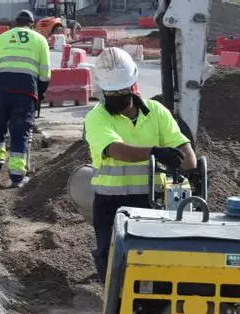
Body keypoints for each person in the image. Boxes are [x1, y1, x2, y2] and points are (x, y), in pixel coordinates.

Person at [83, 47, 198, 282]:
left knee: (157, 265)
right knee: (112, 263)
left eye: (121, 90)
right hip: (111, 205)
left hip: (152, 203)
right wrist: (155, 152)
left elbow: (189, 158)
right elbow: (116, 150)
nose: (116, 96)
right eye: (111, 92)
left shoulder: (157, 112)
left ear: (132, 85)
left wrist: (185, 161)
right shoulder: (97, 117)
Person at [0, 9, 50, 188]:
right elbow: (45, 73)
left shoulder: (1, 39)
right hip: (26, 91)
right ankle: (16, 177)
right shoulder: (40, 40)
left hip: (2, 88)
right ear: (31, 24)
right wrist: (39, 94)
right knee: (20, 132)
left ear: (15, 23)